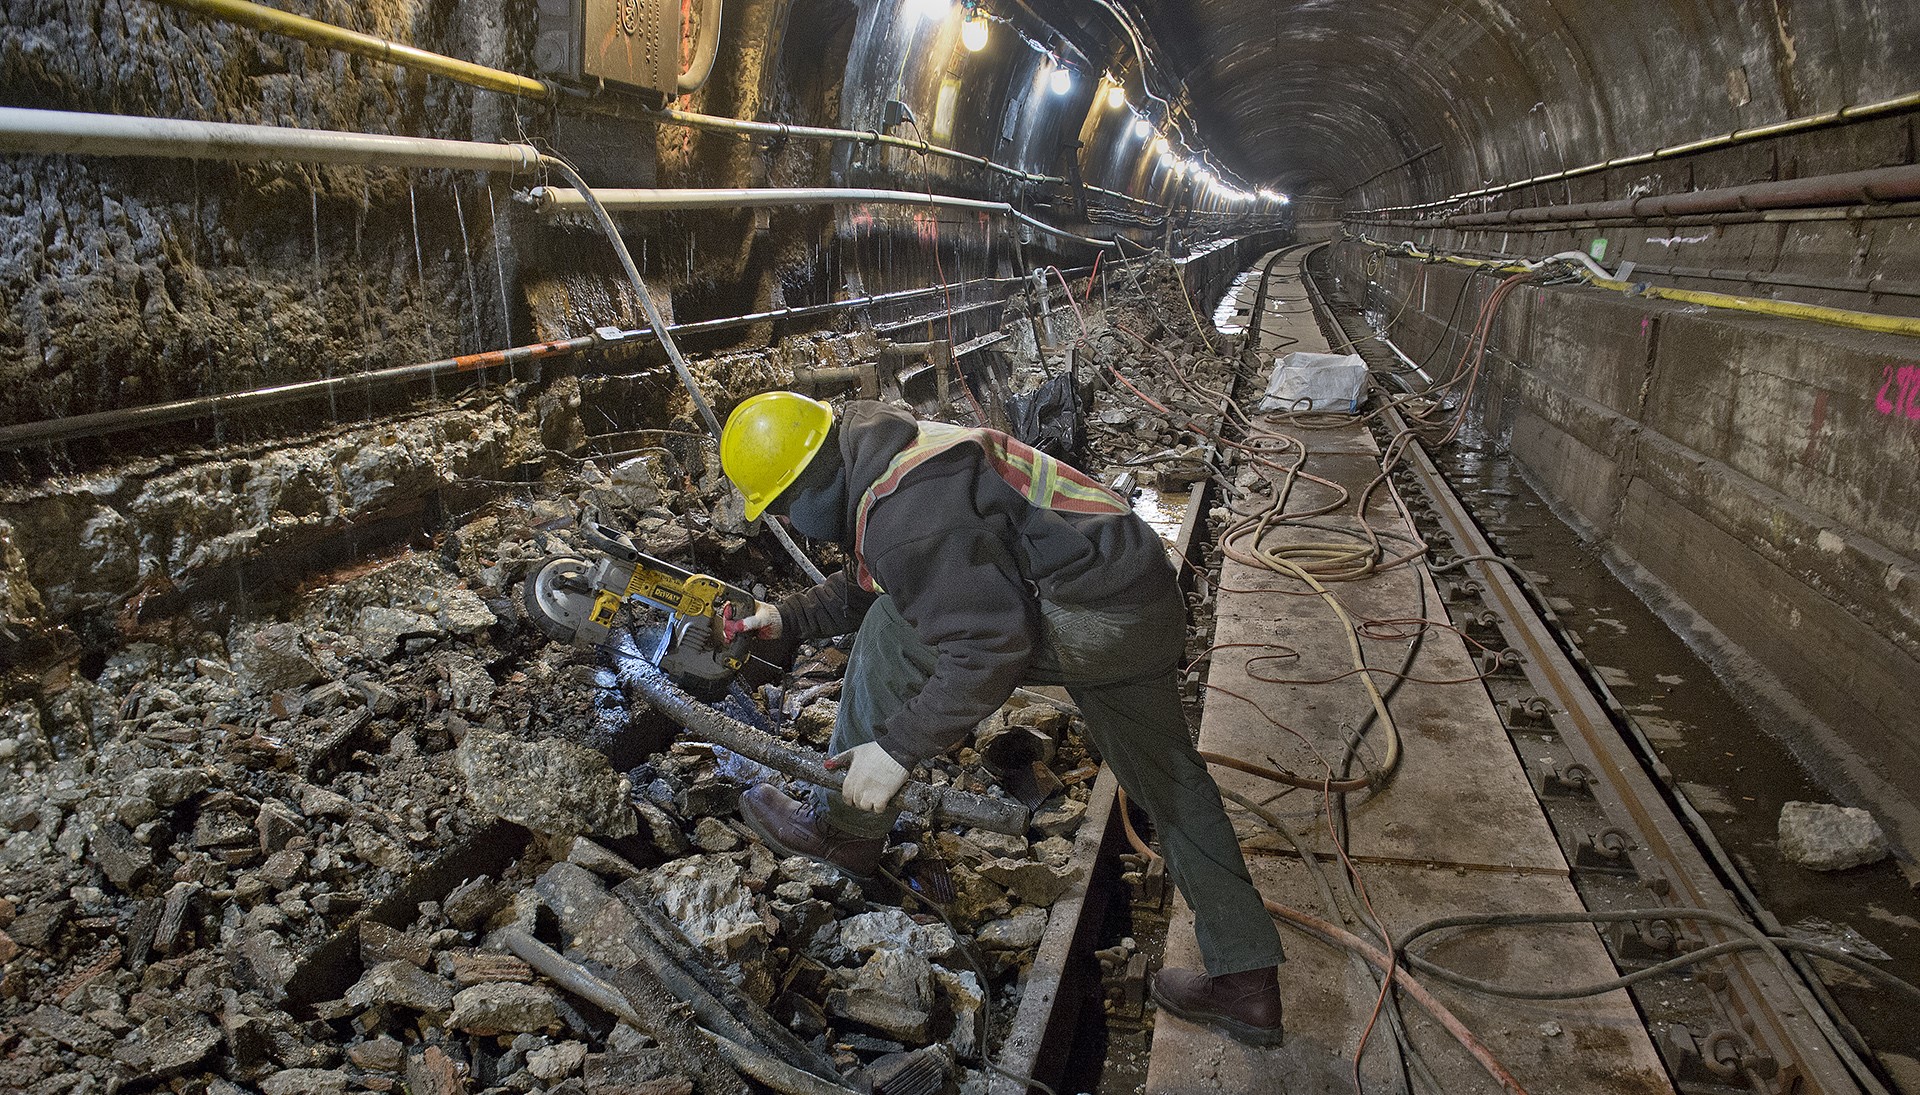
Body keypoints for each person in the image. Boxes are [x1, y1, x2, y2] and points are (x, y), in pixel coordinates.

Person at [719, 390, 1287, 1047]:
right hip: (1135, 594)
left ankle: (847, 828)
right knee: (1172, 781)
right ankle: (1248, 982)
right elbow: (907, 573)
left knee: (891, 631)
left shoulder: (906, 512)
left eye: (785, 504)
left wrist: (896, 747)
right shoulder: (883, 451)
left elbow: (988, 642)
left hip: (1100, 618)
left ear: (810, 484)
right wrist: (786, 616)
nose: (791, 518)